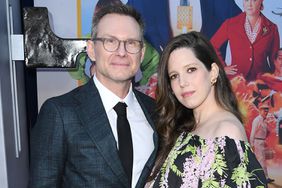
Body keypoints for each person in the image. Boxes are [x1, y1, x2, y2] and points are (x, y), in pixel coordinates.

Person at [29, 4, 158, 188]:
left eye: (131, 43)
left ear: (142, 53)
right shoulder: (60, 113)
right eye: (110, 41)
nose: (121, 52)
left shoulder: (156, 111)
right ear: (91, 49)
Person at [146, 31, 267, 187]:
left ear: (213, 72)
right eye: (174, 76)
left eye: (191, 70)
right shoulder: (184, 127)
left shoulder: (226, 131)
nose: (182, 82)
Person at [210, 0, 280, 81]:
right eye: (246, 0)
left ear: (261, 1)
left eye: (254, 0)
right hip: (236, 81)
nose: (249, 4)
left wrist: (274, 80)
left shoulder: (272, 28)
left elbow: (274, 58)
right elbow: (211, 45)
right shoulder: (230, 24)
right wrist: (222, 67)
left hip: (262, 82)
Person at [250, 98, 275, 183]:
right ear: (260, 111)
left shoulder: (264, 121)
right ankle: (262, 178)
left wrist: (264, 139)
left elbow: (267, 132)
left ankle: (265, 177)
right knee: (260, 161)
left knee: (262, 161)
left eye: (267, 111)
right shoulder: (257, 120)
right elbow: (252, 133)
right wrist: (252, 144)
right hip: (257, 142)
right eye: (264, 111)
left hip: (262, 142)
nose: (266, 112)